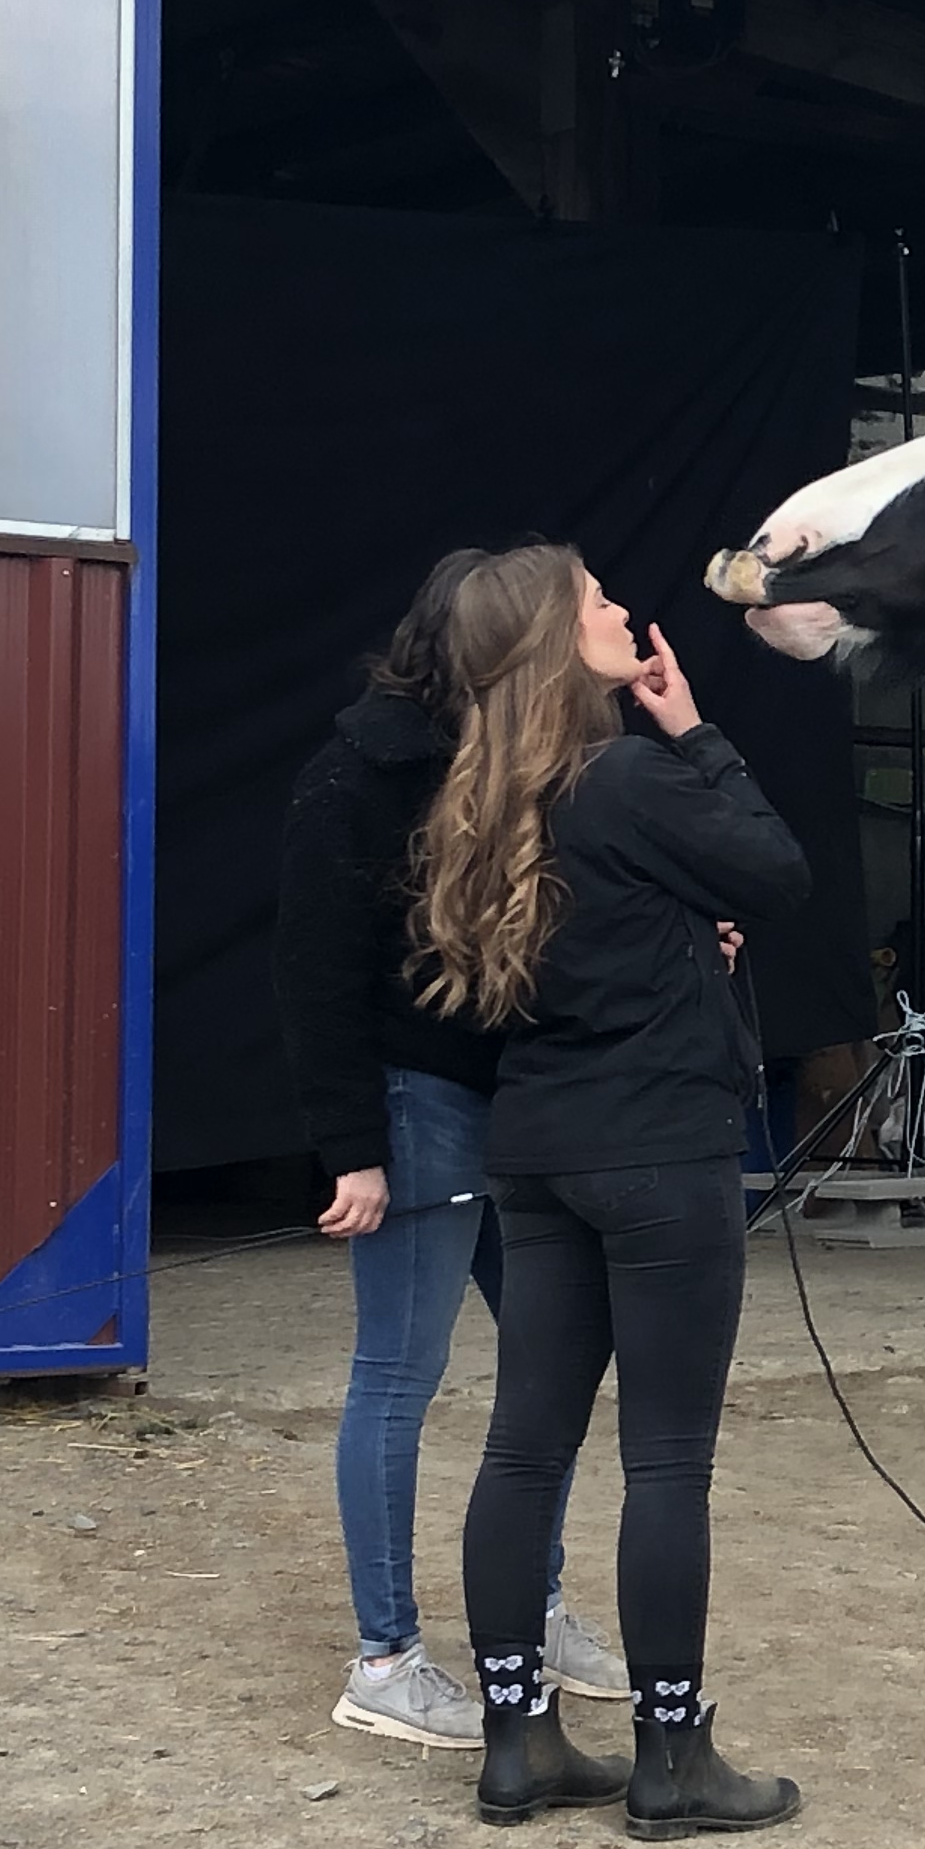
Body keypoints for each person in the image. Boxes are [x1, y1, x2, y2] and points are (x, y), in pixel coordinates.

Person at [414, 544, 811, 1837]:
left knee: (524, 1445)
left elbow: (638, 921)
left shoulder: (486, 802)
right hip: (660, 1154)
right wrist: (695, 730)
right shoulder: (632, 775)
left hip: (539, 1154)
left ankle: (517, 1735)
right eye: (595, 601)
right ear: (549, 642)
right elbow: (779, 869)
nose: (624, 612)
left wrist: (690, 936)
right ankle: (672, 1753)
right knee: (668, 1459)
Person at [275, 554, 629, 1749]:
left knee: (550, 1361)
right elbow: (315, 983)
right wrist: (352, 1152)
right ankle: (384, 1657)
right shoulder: (358, 778)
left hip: (511, 1107)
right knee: (398, 1377)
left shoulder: (529, 765)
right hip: (416, 1107)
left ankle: (537, 1606)